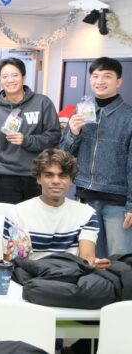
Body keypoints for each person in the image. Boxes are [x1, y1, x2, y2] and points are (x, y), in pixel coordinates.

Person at [61, 57, 132, 257]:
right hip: (84, 197)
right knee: (88, 259)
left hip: (118, 202)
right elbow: (64, 155)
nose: (100, 81)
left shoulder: (128, 117)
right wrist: (73, 133)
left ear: (118, 81)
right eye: (95, 76)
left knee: (120, 260)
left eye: (107, 76)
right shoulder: (81, 111)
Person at [2, 149, 108, 268]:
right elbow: (12, 262)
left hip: (71, 275)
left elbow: (87, 260)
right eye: (49, 175)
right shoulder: (17, 213)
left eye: (63, 176)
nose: (56, 181)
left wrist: (97, 265)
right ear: (38, 178)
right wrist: (9, 257)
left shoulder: (86, 214)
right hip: (31, 275)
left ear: (71, 180)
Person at [0, 58, 60, 204]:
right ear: (0, 80)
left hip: (38, 176)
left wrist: (26, 140)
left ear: (23, 78)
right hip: (5, 178)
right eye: (5, 76)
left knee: (36, 219)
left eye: (15, 75)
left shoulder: (42, 103)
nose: (10, 80)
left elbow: (54, 137)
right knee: (6, 218)